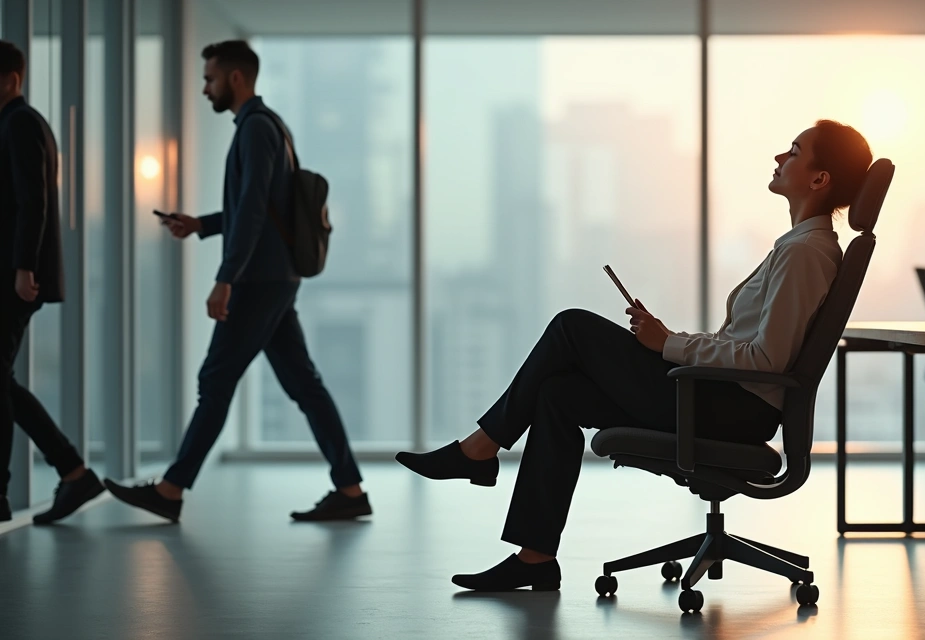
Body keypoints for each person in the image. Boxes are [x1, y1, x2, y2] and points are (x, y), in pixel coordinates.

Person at [396, 120, 873, 591]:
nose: (778, 157)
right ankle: (535, 557)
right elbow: (748, 344)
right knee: (558, 394)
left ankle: (478, 450)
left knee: (571, 326)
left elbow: (767, 359)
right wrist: (666, 337)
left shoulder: (806, 252)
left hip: (731, 409)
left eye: (792, 150)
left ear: (819, 178)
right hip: (720, 398)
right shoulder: (796, 247)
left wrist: (668, 344)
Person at [105, 40, 370, 522]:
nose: (204, 88)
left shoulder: (254, 129)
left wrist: (226, 278)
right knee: (304, 385)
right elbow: (260, 209)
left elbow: (252, 209)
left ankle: (170, 490)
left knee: (216, 379)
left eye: (209, 79)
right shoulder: (270, 127)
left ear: (235, 78)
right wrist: (201, 224)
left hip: (259, 278)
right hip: (275, 276)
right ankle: (350, 491)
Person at [0, 41, 105, 524]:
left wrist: (23, 267)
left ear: (11, 80)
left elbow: (32, 200)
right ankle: (72, 471)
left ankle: (66, 472)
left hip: (15, 276)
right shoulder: (17, 122)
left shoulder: (20, 122)